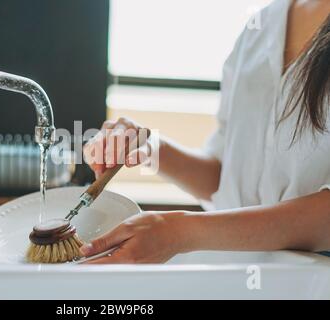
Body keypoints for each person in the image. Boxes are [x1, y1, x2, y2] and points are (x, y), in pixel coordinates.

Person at [80, 0, 330, 263]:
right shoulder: (262, 26)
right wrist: (149, 147)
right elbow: (225, 178)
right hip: (239, 275)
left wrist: (183, 231)